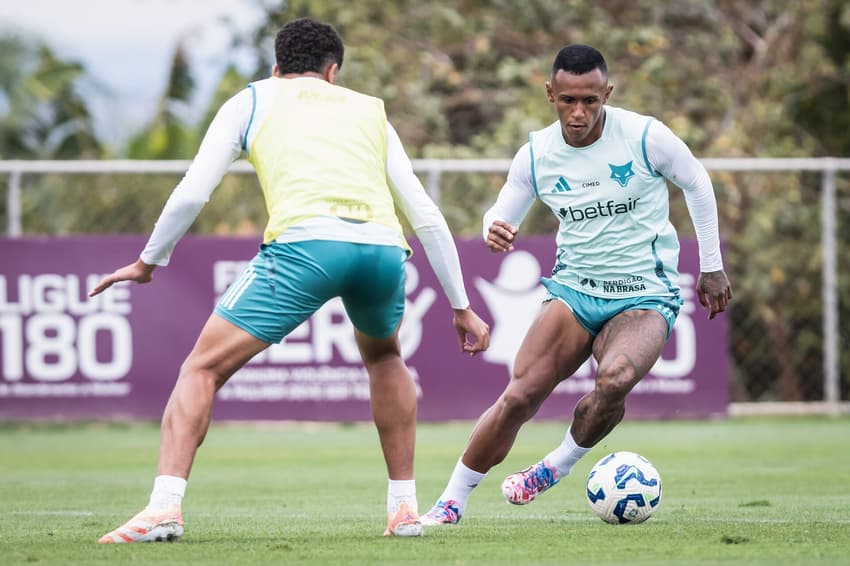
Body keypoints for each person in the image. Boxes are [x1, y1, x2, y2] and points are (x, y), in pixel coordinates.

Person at [91, 17, 490, 543]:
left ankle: (164, 507)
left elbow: (192, 193)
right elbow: (426, 214)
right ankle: (404, 510)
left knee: (202, 368)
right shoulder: (369, 110)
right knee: (386, 358)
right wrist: (460, 304)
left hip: (306, 248)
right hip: (382, 250)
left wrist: (148, 261)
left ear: (276, 67)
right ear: (333, 72)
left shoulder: (252, 99)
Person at [421, 44, 732, 526]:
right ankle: (451, 501)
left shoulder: (646, 137)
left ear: (607, 93)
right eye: (568, 100)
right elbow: (502, 210)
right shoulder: (537, 154)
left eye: (591, 100)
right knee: (519, 397)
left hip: (645, 292)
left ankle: (556, 465)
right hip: (575, 290)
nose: (579, 112)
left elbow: (697, 181)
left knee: (616, 380)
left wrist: (711, 264)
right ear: (550, 94)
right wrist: (494, 226)